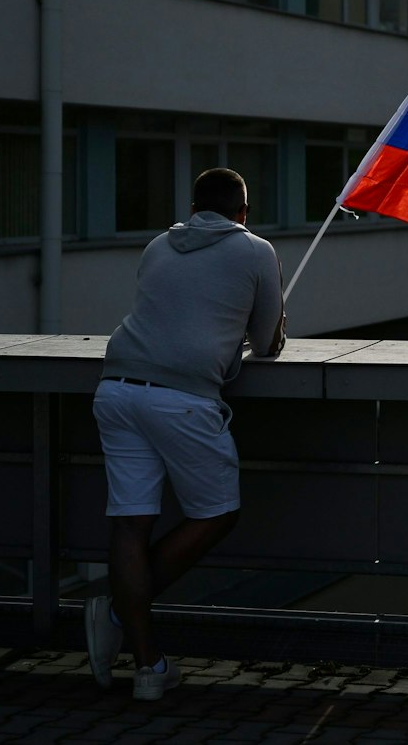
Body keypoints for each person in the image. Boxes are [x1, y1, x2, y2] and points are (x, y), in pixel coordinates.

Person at [84, 167, 284, 700]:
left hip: (116, 386)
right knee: (217, 512)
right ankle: (121, 616)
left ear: (195, 208)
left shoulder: (157, 246)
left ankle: (149, 664)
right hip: (182, 399)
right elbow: (265, 344)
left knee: (131, 525)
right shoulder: (257, 251)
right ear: (243, 212)